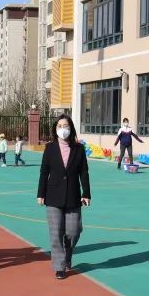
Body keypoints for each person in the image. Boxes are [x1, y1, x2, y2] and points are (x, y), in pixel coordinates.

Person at [37, 115, 90, 280]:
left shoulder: (79, 148)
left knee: (74, 231)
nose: (62, 129)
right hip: (53, 196)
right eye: (59, 126)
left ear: (71, 128)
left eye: (65, 125)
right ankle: (59, 266)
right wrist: (40, 193)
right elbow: (44, 172)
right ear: (55, 129)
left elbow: (84, 172)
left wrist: (86, 193)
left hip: (73, 196)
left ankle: (68, 254)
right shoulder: (50, 148)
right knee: (55, 233)